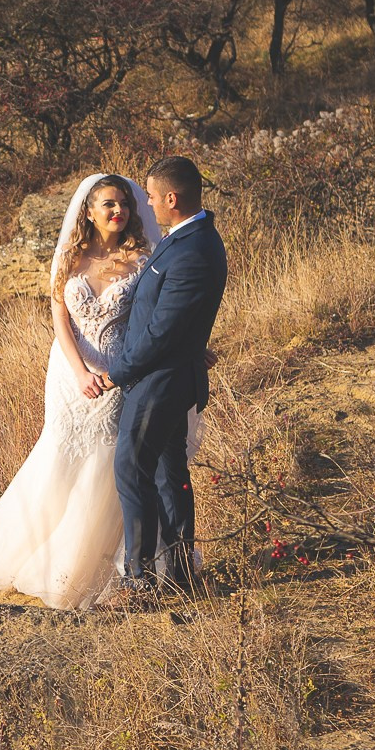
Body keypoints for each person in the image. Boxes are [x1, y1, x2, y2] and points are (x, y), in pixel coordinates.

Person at [0, 173, 203, 610]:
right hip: (71, 376)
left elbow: (160, 315)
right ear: (88, 212)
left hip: (120, 373)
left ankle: (109, 568)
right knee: (61, 453)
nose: (120, 212)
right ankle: (40, 550)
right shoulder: (69, 256)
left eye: (126, 204)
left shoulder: (144, 257)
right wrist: (78, 372)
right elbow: (59, 316)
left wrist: (188, 349)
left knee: (114, 463)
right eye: (109, 205)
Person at [93, 154, 228, 604]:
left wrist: (118, 373)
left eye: (151, 196)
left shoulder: (194, 250)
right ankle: (180, 570)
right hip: (166, 377)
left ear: (171, 198)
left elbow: (162, 332)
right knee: (171, 475)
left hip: (159, 381)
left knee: (133, 469)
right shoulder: (186, 239)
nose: (147, 204)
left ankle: (139, 579)